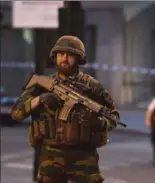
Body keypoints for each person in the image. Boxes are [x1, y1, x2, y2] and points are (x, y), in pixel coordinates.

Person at [11, 35, 120, 183]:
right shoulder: (42, 84)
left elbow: (113, 117)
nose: (65, 58)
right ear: (55, 57)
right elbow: (16, 114)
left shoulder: (92, 87)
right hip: (50, 155)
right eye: (61, 54)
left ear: (79, 59)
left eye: (70, 55)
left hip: (84, 155)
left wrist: (97, 122)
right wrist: (39, 100)